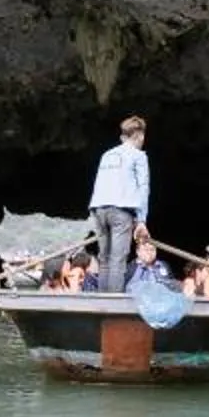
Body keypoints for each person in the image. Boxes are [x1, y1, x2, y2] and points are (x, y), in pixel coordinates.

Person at [86, 114, 150, 291]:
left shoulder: (107, 155)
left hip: (98, 209)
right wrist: (141, 220)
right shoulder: (138, 156)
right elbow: (143, 188)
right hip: (121, 210)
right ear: (140, 136)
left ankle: (102, 301)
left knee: (104, 258)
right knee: (118, 259)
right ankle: (113, 304)